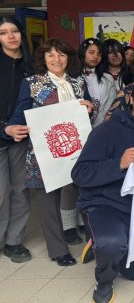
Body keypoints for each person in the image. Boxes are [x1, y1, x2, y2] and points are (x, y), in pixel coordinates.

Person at [72, 77, 134, 303]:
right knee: (112, 243)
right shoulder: (106, 131)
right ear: (130, 99)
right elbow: (79, 174)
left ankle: (103, 242)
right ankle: (104, 281)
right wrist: (118, 164)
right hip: (105, 204)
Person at [4, 38, 94, 267]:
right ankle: (58, 250)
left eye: (61, 54)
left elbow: (88, 111)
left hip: (77, 149)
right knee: (48, 203)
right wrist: (11, 127)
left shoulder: (78, 81)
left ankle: (94, 242)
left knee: (87, 194)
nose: (56, 59)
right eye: (50, 55)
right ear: (43, 59)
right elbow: (20, 113)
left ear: (69, 58)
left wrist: (90, 108)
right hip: (44, 152)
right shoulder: (32, 83)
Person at [0, 16, 33, 263]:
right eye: (3, 33)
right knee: (1, 193)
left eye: (14, 31)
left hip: (22, 137)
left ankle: (13, 241)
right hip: (2, 136)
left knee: (21, 190)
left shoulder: (32, 65)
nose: (10, 36)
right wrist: (5, 129)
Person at [79, 38, 117, 127]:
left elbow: (110, 104)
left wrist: (100, 125)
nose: (95, 57)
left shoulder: (108, 78)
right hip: (78, 125)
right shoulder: (71, 77)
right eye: (91, 52)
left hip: (100, 126)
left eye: (99, 54)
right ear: (83, 53)